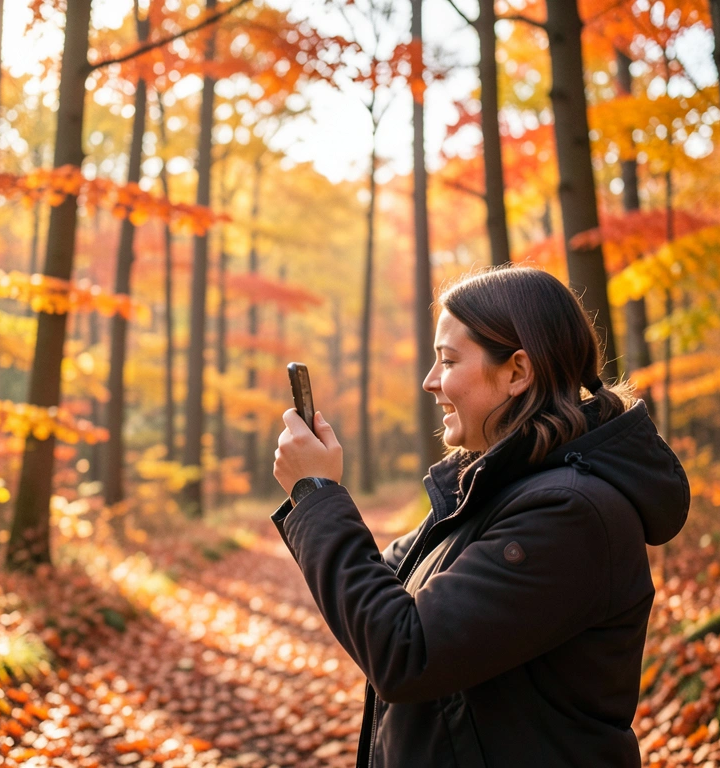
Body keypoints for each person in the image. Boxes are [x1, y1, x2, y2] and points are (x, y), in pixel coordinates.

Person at [271, 266, 690, 767]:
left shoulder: (570, 513)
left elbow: (404, 651)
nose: (429, 382)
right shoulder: (492, 494)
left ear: (517, 371)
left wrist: (316, 491)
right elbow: (379, 596)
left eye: (447, 361)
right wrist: (314, 496)